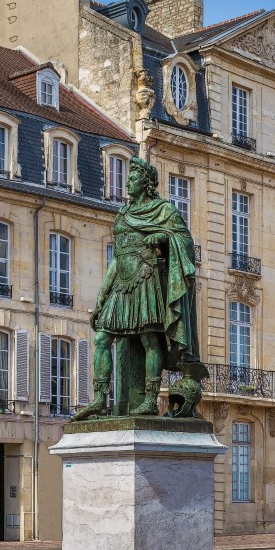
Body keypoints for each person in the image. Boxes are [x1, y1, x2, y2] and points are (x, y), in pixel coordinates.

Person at [74, 156, 205, 420]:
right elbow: (117, 259)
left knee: (149, 340)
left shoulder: (163, 210)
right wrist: (101, 296)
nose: (128, 182)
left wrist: (165, 237)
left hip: (147, 279)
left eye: (133, 178)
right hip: (122, 284)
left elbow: (185, 240)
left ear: (145, 183)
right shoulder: (122, 215)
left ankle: (149, 399)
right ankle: (100, 398)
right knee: (102, 338)